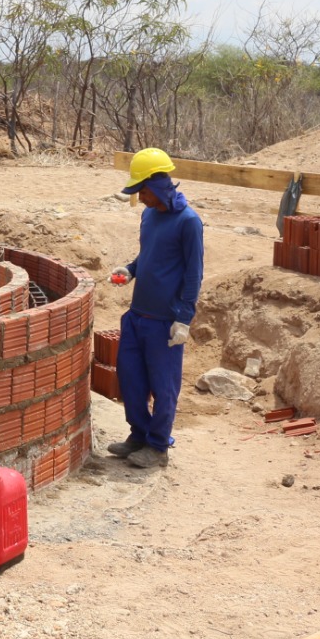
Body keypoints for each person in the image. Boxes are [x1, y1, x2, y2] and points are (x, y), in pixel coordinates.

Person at [108, 148, 204, 469]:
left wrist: (184, 319)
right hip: (137, 315)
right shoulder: (149, 215)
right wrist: (131, 270)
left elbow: (193, 273)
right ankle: (139, 434)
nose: (140, 198)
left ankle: (159, 445)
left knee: (164, 387)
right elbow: (146, 255)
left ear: (159, 184)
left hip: (165, 322)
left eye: (142, 191)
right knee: (131, 378)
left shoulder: (188, 222)